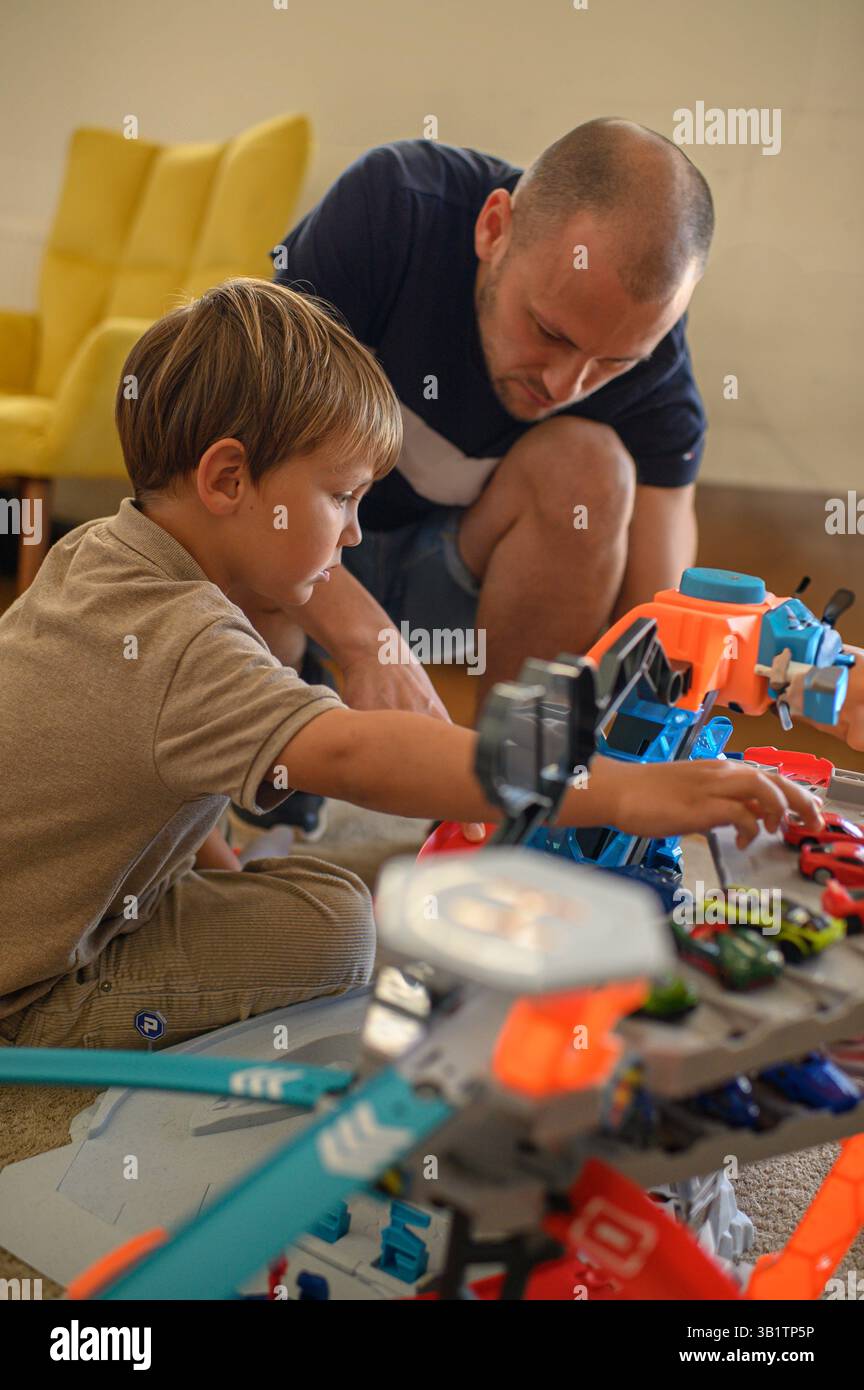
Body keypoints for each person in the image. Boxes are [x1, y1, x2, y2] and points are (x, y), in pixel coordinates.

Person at [0, 279, 819, 1052]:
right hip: (25, 978)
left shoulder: (98, 554)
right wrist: (617, 787)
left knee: (297, 891)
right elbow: (362, 752)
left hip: (37, 886)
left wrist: (207, 868)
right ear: (226, 479)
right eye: (341, 498)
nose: (355, 534)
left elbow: (150, 775)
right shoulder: (184, 643)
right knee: (338, 929)